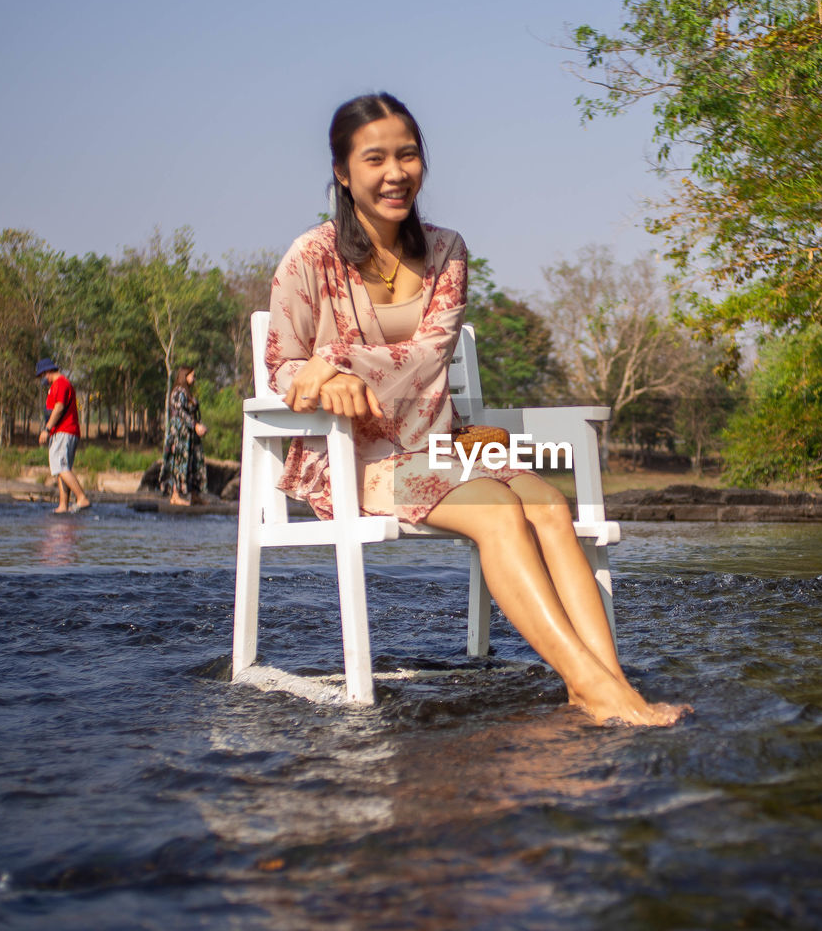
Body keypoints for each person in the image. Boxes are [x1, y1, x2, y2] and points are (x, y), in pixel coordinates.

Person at [266, 93, 690, 727]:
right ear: (342, 171)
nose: (394, 173)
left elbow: (428, 356)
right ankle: (596, 689)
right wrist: (315, 376)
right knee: (498, 512)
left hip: (442, 443)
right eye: (375, 158)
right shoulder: (310, 256)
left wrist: (338, 364)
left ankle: (603, 685)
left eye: (407, 155)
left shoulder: (448, 251)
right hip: (353, 456)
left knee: (547, 502)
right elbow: (282, 366)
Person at [35, 358, 91, 514]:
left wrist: (47, 429)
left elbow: (59, 408)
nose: (42, 380)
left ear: (47, 372)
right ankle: (63, 505)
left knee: (60, 466)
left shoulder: (61, 384)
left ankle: (81, 498)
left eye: (41, 376)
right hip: (64, 432)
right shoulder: (58, 385)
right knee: (62, 468)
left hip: (63, 431)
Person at [158, 366, 209, 506]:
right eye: (192, 375)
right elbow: (180, 412)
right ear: (185, 376)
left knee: (193, 463)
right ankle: (175, 495)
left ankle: (194, 495)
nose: (194, 378)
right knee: (178, 463)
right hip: (180, 434)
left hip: (190, 435)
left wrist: (198, 426)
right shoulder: (178, 392)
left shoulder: (187, 393)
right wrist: (195, 425)